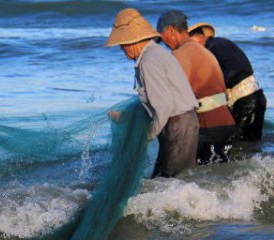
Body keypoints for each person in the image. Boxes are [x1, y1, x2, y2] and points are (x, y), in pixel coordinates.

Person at [106, 8, 199, 178]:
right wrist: (126, 117)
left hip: (178, 126)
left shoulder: (148, 61)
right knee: (168, 180)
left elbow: (164, 106)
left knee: (171, 183)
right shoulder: (154, 54)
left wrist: (148, 136)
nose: (121, 49)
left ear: (131, 41)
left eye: (121, 45)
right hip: (181, 123)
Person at [157, 10, 236, 165]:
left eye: (163, 38)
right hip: (226, 123)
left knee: (199, 179)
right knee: (219, 178)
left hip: (209, 126)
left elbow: (172, 95)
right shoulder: (204, 51)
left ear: (171, 31)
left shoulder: (181, 54)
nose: (165, 44)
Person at [188, 22, 267, 141]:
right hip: (253, 98)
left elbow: (235, 70)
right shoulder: (220, 44)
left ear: (198, 37)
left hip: (246, 101)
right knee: (250, 143)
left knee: (240, 145)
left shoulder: (215, 46)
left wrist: (218, 88)